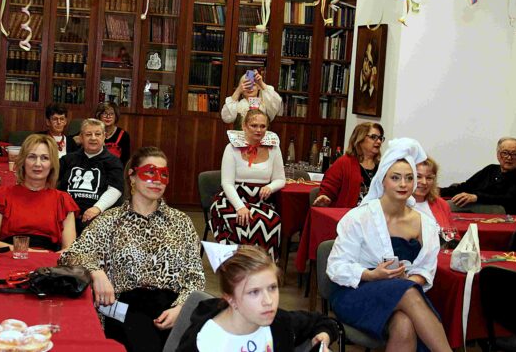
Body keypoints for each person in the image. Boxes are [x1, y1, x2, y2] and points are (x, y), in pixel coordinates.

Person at [60, 146, 205, 352]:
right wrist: (96, 272)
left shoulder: (181, 222)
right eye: (150, 172)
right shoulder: (110, 220)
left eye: (164, 174)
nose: (157, 180)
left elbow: (195, 276)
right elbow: (70, 255)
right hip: (125, 312)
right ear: (132, 176)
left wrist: (181, 308)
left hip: (172, 310)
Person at [327, 138, 452, 352]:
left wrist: (404, 281)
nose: (403, 184)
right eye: (395, 178)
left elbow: (425, 270)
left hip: (403, 292)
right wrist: (372, 275)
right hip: (355, 292)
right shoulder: (358, 218)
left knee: (404, 323)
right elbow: (336, 266)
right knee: (407, 292)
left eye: (409, 178)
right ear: (382, 180)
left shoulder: (426, 224)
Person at [177, 244, 338, 352]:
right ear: (230, 299)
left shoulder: (279, 323)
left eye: (272, 288)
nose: (268, 301)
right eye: (254, 292)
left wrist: (323, 336)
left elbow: (323, 321)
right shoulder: (205, 343)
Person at [209, 109, 285, 261]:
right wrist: (240, 207)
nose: (258, 130)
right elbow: (227, 183)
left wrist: (270, 187)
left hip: (260, 200)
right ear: (244, 126)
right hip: (233, 198)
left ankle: (263, 266)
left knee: (272, 221)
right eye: (254, 125)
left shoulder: (274, 149)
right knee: (240, 220)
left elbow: (280, 179)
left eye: (263, 126)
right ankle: (236, 265)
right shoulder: (231, 148)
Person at [0, 134, 79, 251]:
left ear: (52, 164)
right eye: (32, 157)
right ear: (23, 161)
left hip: (48, 259)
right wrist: (25, 251)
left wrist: (46, 257)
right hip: (10, 256)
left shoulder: (63, 200)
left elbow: (69, 250)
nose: (37, 164)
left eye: (45, 158)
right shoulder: (3, 195)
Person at [58, 119, 124, 234]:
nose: (93, 138)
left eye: (97, 134)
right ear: (81, 137)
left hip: (96, 216)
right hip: (65, 213)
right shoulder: (67, 160)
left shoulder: (113, 162)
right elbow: (51, 180)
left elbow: (115, 189)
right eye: (88, 134)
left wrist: (97, 208)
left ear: (104, 136)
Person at [440, 137, 516, 215]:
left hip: (503, 214)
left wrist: (476, 197)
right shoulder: (490, 169)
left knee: (446, 206)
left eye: (515, 154)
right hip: (480, 206)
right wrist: (438, 191)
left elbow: (507, 199)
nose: (509, 158)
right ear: (498, 155)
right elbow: (466, 186)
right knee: (439, 202)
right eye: (505, 153)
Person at [313, 122, 384, 208]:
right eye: (373, 137)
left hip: (376, 213)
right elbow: (328, 189)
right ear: (360, 139)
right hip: (349, 214)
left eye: (380, 138)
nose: (379, 141)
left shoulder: (383, 166)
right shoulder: (343, 163)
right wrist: (324, 197)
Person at [412, 157, 453, 229]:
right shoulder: (396, 206)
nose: (424, 182)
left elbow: (452, 233)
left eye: (429, 178)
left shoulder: (441, 204)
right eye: (418, 177)